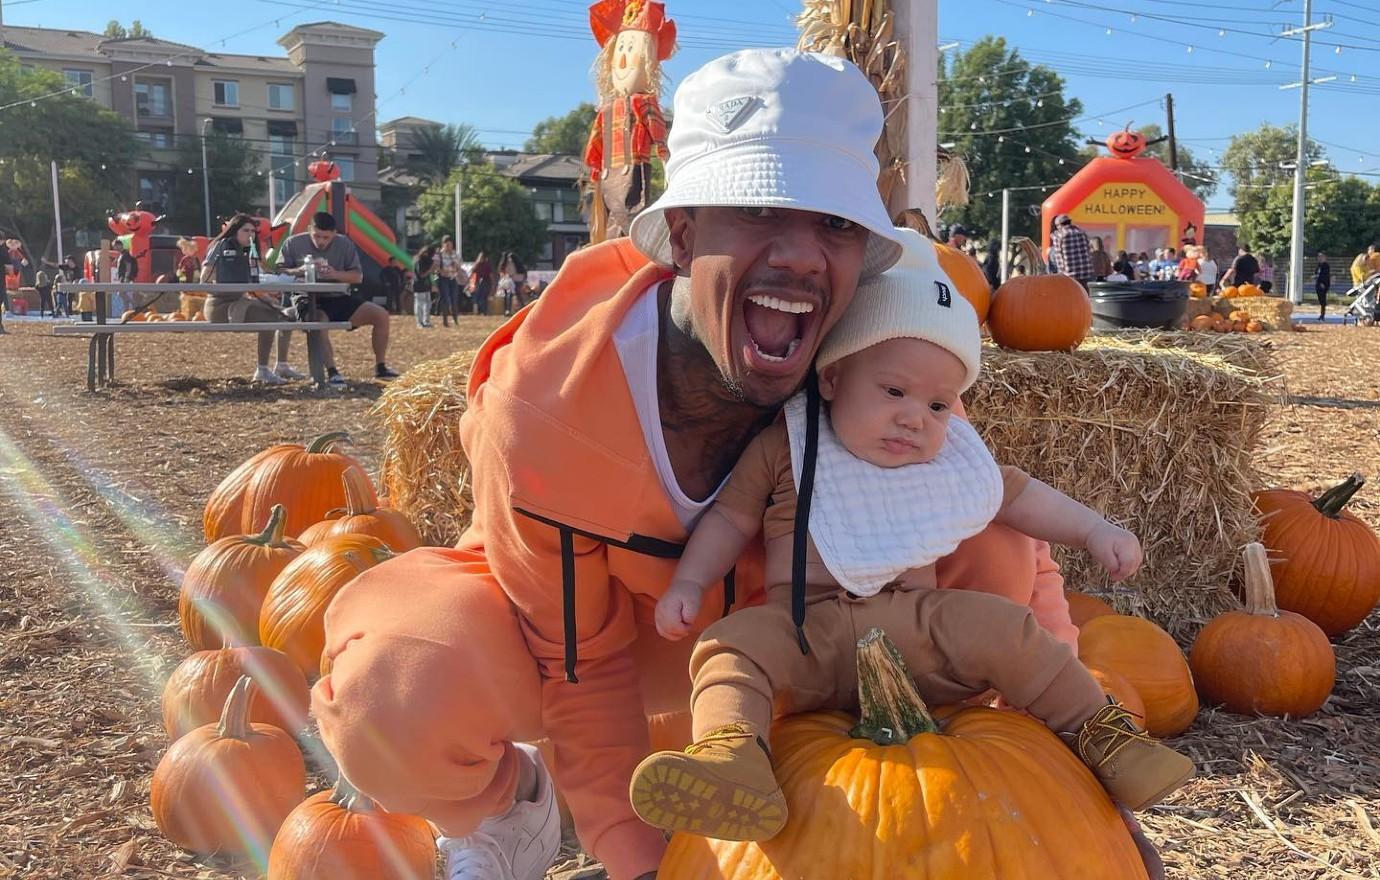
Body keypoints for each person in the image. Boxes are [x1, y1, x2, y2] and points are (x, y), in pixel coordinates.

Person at [312, 49, 1168, 880]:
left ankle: (929, 797)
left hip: (819, 634)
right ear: (682, 235)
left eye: (834, 225)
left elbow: (1007, 531)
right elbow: (583, 664)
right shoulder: (547, 408)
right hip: (648, 642)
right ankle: (516, 805)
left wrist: (1085, 806)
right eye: (759, 211)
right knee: (399, 682)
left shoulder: (874, 358)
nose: (799, 254)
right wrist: (639, 860)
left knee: (992, 544)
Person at [630, 229, 1193, 841]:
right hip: (808, 634)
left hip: (921, 627)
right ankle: (731, 755)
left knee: (1007, 628)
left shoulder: (947, 457)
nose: (913, 418)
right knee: (731, 646)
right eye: (894, 391)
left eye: (938, 405)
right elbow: (730, 519)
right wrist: (689, 581)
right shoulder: (790, 446)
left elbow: (1022, 497)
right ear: (832, 380)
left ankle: (1104, 738)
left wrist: (1095, 529)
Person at [276, 212, 399, 382]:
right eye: (316, 236)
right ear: (309, 229)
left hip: (338, 296)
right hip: (306, 296)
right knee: (319, 320)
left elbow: (357, 276)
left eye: (326, 237)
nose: (321, 241)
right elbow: (279, 270)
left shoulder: (344, 244)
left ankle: (381, 367)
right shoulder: (293, 243)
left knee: (381, 315)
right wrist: (299, 270)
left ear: (334, 233)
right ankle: (332, 371)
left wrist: (335, 274)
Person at [200, 213, 301, 385]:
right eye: (245, 230)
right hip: (219, 306)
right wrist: (226, 282)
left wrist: (267, 296)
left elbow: (258, 277)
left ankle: (281, 365)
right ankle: (262, 371)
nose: (250, 235)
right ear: (234, 231)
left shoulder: (248, 251)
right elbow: (204, 279)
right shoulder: (221, 246)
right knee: (270, 319)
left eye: (253, 231)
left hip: (240, 301)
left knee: (282, 314)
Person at [1050, 214, 1096, 287]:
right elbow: (1089, 250)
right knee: (1086, 296)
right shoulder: (1082, 232)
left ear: (1059, 225)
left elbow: (1059, 258)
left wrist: (1061, 275)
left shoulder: (1058, 236)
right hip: (1086, 272)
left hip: (1070, 275)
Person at [436, 236, 463, 326]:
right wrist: (443, 271)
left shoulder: (455, 254)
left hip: (453, 278)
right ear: (443, 245)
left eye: (450, 244)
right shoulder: (439, 255)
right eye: (446, 244)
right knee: (445, 299)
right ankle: (445, 320)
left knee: (454, 299)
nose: (448, 246)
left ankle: (455, 319)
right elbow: (436, 268)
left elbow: (459, 266)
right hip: (443, 278)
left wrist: (455, 266)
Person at [412, 245, 435, 329]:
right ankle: (420, 322)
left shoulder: (425, 260)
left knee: (427, 304)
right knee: (420, 304)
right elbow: (421, 275)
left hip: (426, 285)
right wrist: (430, 269)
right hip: (419, 285)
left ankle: (426, 321)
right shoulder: (419, 261)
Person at [470, 251, 493, 315]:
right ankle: (481, 311)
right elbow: (472, 273)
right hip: (479, 282)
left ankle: (484, 311)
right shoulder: (477, 265)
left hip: (486, 281)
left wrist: (492, 283)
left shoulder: (487, 265)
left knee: (484, 297)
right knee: (479, 297)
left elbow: (490, 274)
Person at [1316, 252, 1331, 319]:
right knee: (1320, 298)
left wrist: (1323, 283)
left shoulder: (1326, 266)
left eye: (1321, 257)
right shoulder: (1318, 265)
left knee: (1323, 299)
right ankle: (1321, 314)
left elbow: (1325, 275)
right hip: (1318, 283)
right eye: (1319, 257)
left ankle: (1322, 314)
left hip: (1323, 284)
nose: (1319, 258)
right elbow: (1317, 273)